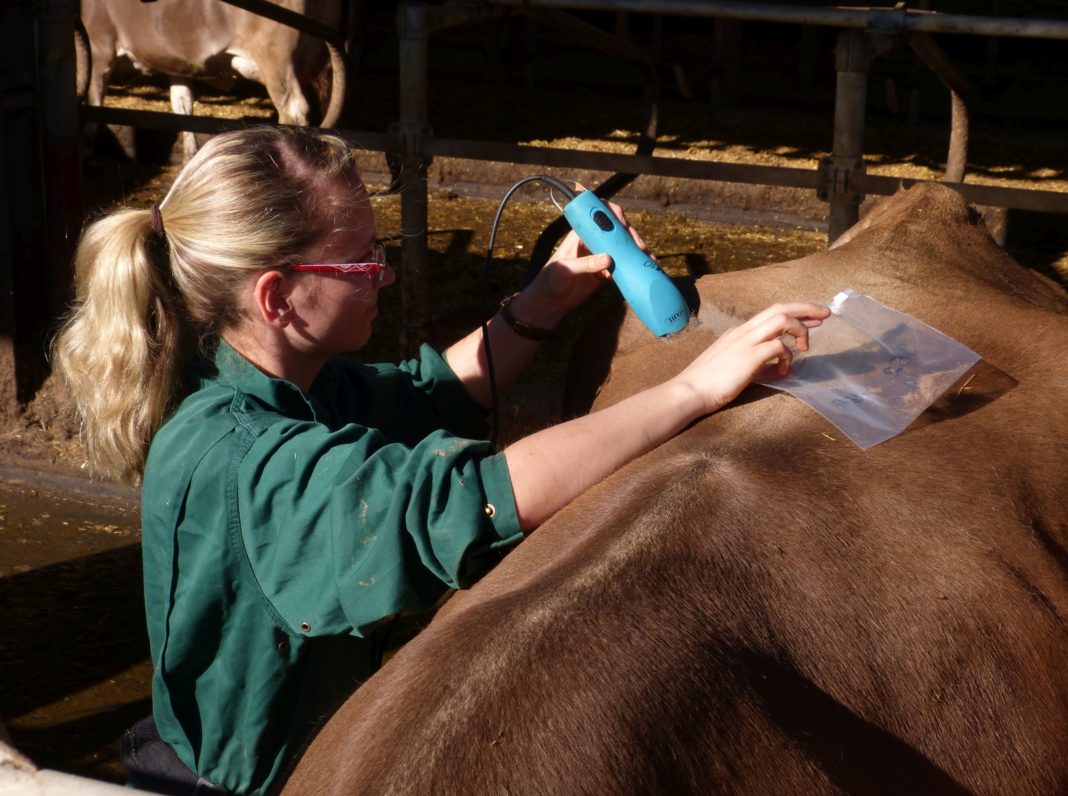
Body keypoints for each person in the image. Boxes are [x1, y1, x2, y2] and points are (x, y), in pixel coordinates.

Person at [54, 126, 829, 795]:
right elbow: (472, 498)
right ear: (276, 298)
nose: (384, 274)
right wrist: (695, 387)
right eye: (361, 263)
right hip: (258, 780)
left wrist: (541, 303)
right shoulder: (248, 461)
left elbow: (425, 398)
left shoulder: (286, 379)